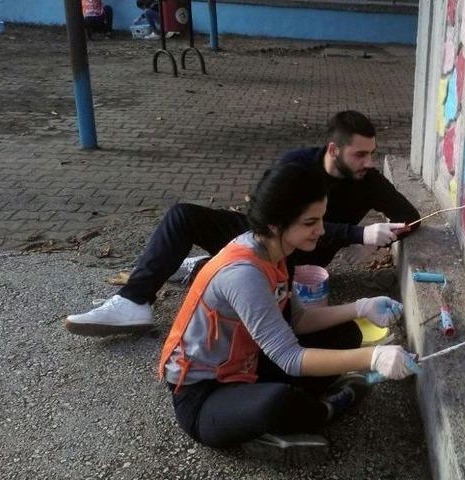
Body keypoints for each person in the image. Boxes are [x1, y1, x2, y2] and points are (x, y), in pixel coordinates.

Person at [65, 110, 420, 336]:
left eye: (372, 153)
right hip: (269, 240)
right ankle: (135, 302)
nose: (368, 161)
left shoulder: (368, 180)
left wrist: (388, 233)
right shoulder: (297, 164)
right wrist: (357, 233)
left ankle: (205, 268)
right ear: (333, 150)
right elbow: (266, 220)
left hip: (304, 262)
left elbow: (412, 217)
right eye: (360, 154)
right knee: (182, 216)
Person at [159, 161, 418, 462]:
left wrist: (360, 307)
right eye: (310, 223)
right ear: (275, 224)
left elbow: (299, 320)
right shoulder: (244, 273)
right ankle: (320, 412)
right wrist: (372, 358)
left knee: (347, 333)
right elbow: (290, 357)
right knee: (277, 402)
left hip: (248, 365)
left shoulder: (278, 252)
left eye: (321, 219)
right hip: (204, 395)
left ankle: (275, 424)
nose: (321, 230)